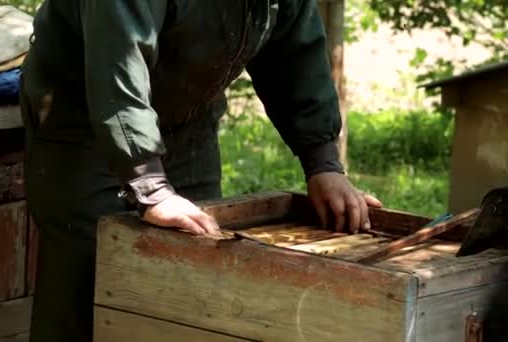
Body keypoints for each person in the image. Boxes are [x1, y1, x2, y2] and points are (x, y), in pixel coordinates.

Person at [19, 0, 383, 341]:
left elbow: (293, 48)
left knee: (194, 276)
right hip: (83, 122)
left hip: (188, 123)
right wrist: (150, 186)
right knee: (91, 277)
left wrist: (322, 162)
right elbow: (117, 60)